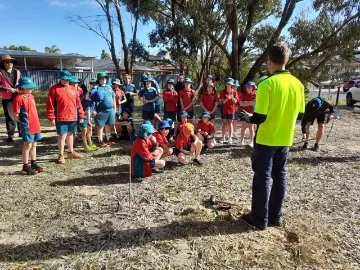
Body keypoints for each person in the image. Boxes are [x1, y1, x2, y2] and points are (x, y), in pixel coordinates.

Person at [239, 43, 305, 230]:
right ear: (286, 61)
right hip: (285, 139)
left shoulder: (266, 84)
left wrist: (248, 118)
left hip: (267, 138)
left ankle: (259, 219)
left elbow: (260, 116)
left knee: (262, 177)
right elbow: (300, 114)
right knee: (280, 177)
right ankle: (275, 216)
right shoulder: (298, 85)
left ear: (269, 62)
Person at [47, 70, 84, 164]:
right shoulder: (54, 88)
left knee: (71, 134)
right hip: (61, 117)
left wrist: (81, 114)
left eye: (67, 79)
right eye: (63, 79)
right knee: (62, 136)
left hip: (72, 117)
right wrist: (51, 116)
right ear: (60, 78)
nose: (65, 81)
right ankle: (60, 155)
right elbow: (50, 104)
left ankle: (70, 152)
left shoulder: (73, 89)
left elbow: (78, 103)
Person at [13, 77, 43, 175]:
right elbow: (16, 114)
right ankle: (25, 166)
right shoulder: (18, 98)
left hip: (35, 124)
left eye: (31, 87)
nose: (31, 89)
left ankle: (33, 163)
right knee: (27, 145)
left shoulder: (31, 96)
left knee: (34, 144)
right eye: (28, 87)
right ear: (22, 87)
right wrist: (23, 124)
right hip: (27, 125)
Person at [91, 72, 116, 147]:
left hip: (110, 110)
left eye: (104, 78)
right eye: (101, 78)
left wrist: (114, 107)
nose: (103, 79)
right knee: (100, 126)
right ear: (98, 80)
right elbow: (92, 101)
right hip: (101, 110)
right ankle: (100, 141)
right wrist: (94, 109)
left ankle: (108, 139)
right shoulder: (96, 88)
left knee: (108, 125)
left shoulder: (109, 87)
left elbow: (113, 97)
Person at [0, 55, 21, 142]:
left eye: (11, 62)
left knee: (20, 114)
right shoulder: (0, 72)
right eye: (7, 62)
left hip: (18, 96)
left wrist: (19, 89)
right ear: (3, 63)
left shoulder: (18, 72)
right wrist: (7, 89)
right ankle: (10, 135)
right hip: (7, 97)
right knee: (9, 116)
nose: (9, 64)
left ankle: (21, 132)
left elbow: (21, 83)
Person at [219, 78, 238, 144]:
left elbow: (235, 101)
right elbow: (223, 102)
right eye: (227, 83)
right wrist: (227, 97)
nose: (228, 85)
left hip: (231, 110)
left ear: (232, 85)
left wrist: (232, 97)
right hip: (224, 110)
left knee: (230, 124)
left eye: (230, 84)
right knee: (224, 123)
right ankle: (223, 137)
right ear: (226, 84)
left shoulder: (234, 92)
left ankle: (230, 138)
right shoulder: (223, 92)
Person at [79, 85, 97, 152]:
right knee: (84, 130)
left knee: (89, 129)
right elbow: (88, 110)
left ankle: (90, 143)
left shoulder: (92, 97)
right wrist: (89, 121)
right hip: (83, 116)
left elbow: (93, 107)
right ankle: (85, 146)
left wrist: (94, 110)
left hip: (89, 116)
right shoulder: (86, 99)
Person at [239, 81, 256, 147]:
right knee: (243, 127)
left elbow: (254, 103)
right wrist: (249, 102)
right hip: (244, 112)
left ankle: (251, 141)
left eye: (249, 87)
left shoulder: (255, 95)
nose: (248, 88)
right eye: (247, 87)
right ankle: (242, 140)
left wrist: (245, 102)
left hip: (251, 113)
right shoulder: (244, 95)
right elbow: (241, 103)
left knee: (251, 127)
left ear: (252, 87)